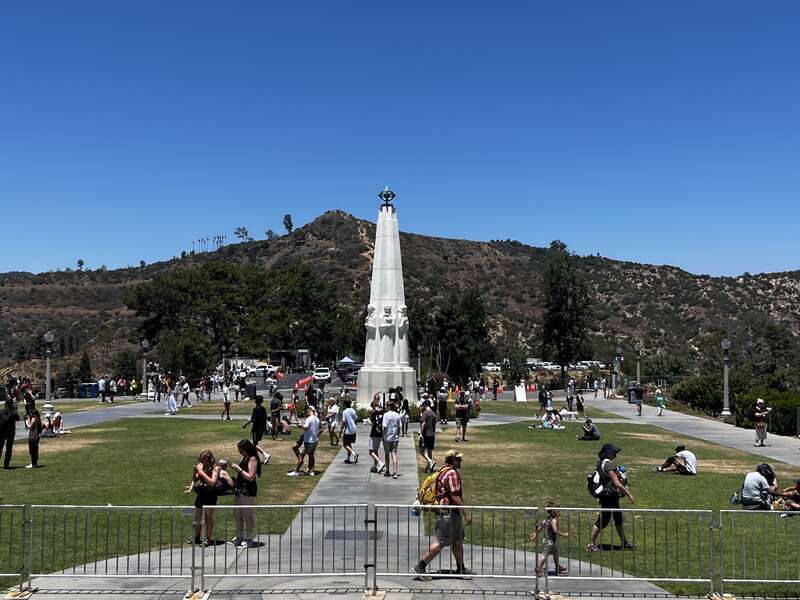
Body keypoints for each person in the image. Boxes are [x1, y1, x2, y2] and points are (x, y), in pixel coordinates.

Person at [412, 449, 473, 580]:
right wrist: (466, 513)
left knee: (457, 541)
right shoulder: (451, 474)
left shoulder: (442, 471)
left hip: (449, 513)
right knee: (440, 542)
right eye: (458, 459)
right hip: (448, 514)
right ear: (453, 460)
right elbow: (455, 497)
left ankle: (460, 568)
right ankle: (420, 566)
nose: (460, 461)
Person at [587, 444, 635, 552]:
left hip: (610, 495)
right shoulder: (608, 464)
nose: (616, 455)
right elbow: (616, 482)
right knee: (603, 519)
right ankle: (591, 544)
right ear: (608, 453)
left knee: (618, 517)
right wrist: (628, 494)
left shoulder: (603, 463)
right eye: (614, 452)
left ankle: (624, 543)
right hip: (609, 496)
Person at [230, 440, 261, 548]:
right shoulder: (246, 457)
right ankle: (239, 536)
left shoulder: (252, 459)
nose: (240, 453)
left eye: (241, 451)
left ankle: (249, 539)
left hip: (247, 489)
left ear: (246, 449)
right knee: (237, 513)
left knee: (247, 515)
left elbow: (250, 477)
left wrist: (238, 469)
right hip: (240, 488)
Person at [187, 450, 220, 545]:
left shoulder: (216, 468)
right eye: (202, 460)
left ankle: (207, 539)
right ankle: (196, 537)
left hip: (210, 494)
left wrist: (201, 472)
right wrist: (195, 471)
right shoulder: (201, 466)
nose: (204, 462)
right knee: (197, 517)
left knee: (208, 518)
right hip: (201, 493)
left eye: (206, 460)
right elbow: (195, 478)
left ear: (210, 459)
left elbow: (212, 483)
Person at [532, 507, 568, 576]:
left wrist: (535, 534)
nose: (556, 512)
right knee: (545, 555)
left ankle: (557, 567)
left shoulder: (546, 520)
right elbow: (555, 530)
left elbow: (540, 528)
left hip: (547, 540)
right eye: (555, 511)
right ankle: (538, 569)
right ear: (552, 513)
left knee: (555, 553)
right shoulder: (553, 520)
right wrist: (564, 535)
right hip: (550, 541)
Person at [287, 405, 320, 477]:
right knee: (311, 456)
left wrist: (300, 425)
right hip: (314, 440)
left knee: (301, 456)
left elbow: (305, 428)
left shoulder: (309, 419)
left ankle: (296, 471)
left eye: (306, 412)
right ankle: (311, 471)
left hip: (308, 441)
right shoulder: (317, 419)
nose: (305, 414)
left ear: (308, 411)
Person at [242, 396, 270, 464]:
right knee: (255, 443)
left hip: (256, 428)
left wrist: (245, 424)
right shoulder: (263, 409)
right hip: (261, 428)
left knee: (254, 444)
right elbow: (265, 418)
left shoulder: (255, 409)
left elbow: (253, 419)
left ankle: (265, 454)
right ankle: (256, 458)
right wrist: (265, 428)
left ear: (256, 401)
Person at [0, 388, 20, 469]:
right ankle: (6, 464)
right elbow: (18, 419)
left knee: (0, 447)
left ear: (5, 404)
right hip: (11, 431)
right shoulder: (14, 412)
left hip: (2, 432)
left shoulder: (2, 412)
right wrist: (14, 410)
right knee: (9, 448)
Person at [382, 399, 402, 479]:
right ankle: (395, 472)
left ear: (389, 406)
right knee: (394, 454)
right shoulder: (397, 415)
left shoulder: (386, 415)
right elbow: (399, 427)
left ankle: (387, 471)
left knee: (387, 454)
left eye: (386, 406)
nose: (385, 407)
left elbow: (384, 427)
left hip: (387, 438)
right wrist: (398, 435)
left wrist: (383, 436)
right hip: (395, 438)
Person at [368, 396, 385, 473]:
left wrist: (367, 422)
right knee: (375, 451)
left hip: (374, 433)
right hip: (380, 433)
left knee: (371, 451)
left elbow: (372, 424)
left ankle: (380, 463)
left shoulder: (373, 413)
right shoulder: (382, 412)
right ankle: (375, 466)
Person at [420, 400, 437, 473]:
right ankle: (429, 467)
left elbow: (423, 423)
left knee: (421, 450)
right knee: (429, 451)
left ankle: (430, 461)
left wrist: (421, 433)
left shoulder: (425, 413)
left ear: (424, 405)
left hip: (425, 434)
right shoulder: (433, 413)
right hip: (432, 434)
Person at [341, 397, 359, 464]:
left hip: (348, 431)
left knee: (345, 445)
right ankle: (348, 458)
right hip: (353, 429)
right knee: (349, 444)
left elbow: (343, 422)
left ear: (344, 404)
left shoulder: (345, 412)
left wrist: (341, 430)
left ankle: (354, 454)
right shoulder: (353, 410)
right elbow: (356, 419)